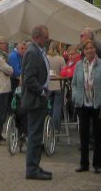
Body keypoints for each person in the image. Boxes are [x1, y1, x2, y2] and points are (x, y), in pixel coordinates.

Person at [71, 40, 101, 174]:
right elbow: (74, 83)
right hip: (82, 104)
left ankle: (97, 164)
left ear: (95, 50)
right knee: (83, 135)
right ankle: (84, 164)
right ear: (84, 51)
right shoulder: (79, 65)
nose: (89, 50)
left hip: (97, 104)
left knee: (98, 135)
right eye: (87, 49)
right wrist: (75, 96)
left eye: (92, 48)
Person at [21, 24, 52, 181]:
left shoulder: (37, 51)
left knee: (37, 134)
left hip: (38, 99)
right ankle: (32, 169)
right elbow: (29, 78)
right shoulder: (33, 53)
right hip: (35, 100)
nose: (47, 40)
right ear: (37, 37)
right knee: (34, 135)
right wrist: (42, 91)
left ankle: (35, 165)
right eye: (45, 37)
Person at [46, 41, 66, 134]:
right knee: (57, 108)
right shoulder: (61, 59)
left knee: (48, 108)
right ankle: (56, 128)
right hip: (58, 85)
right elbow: (64, 72)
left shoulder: (46, 58)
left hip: (48, 85)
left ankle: (48, 127)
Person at [8, 41, 26, 106]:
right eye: (22, 48)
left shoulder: (19, 55)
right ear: (17, 48)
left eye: (25, 49)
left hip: (17, 81)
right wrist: (25, 71)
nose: (24, 50)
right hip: (14, 82)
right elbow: (16, 72)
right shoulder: (13, 56)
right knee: (15, 102)